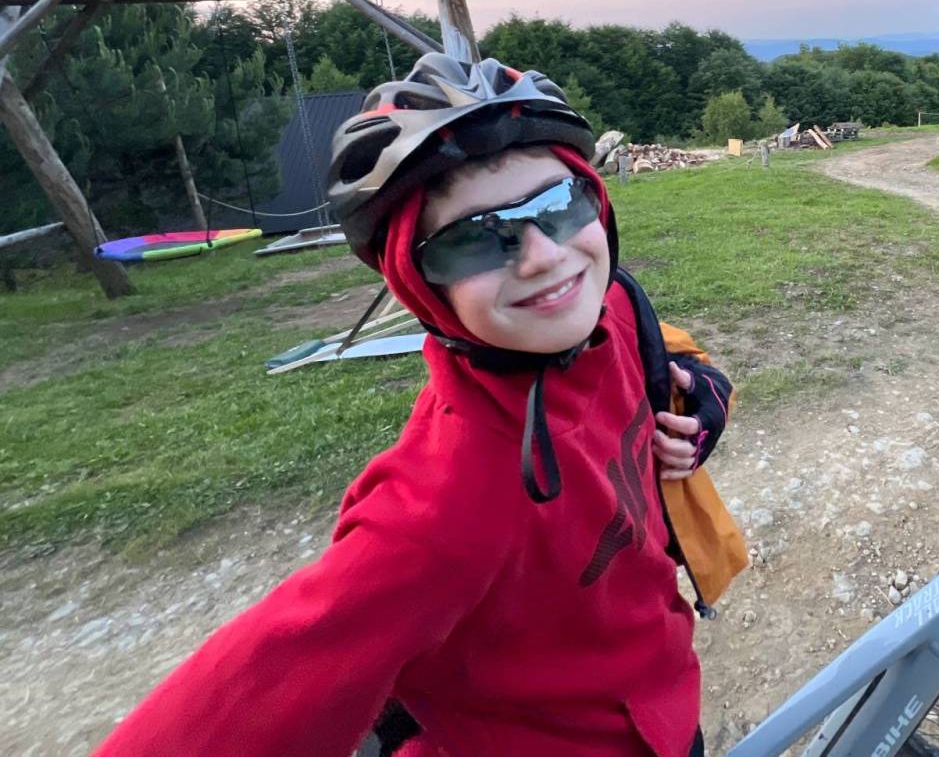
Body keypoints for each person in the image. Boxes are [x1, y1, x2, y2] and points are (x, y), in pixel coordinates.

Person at [95, 54, 748, 757]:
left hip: (665, 696)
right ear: (416, 279)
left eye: (559, 205)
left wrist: (701, 396)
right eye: (475, 239)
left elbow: (673, 355)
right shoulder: (442, 504)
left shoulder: (614, 309)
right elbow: (234, 704)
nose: (542, 256)